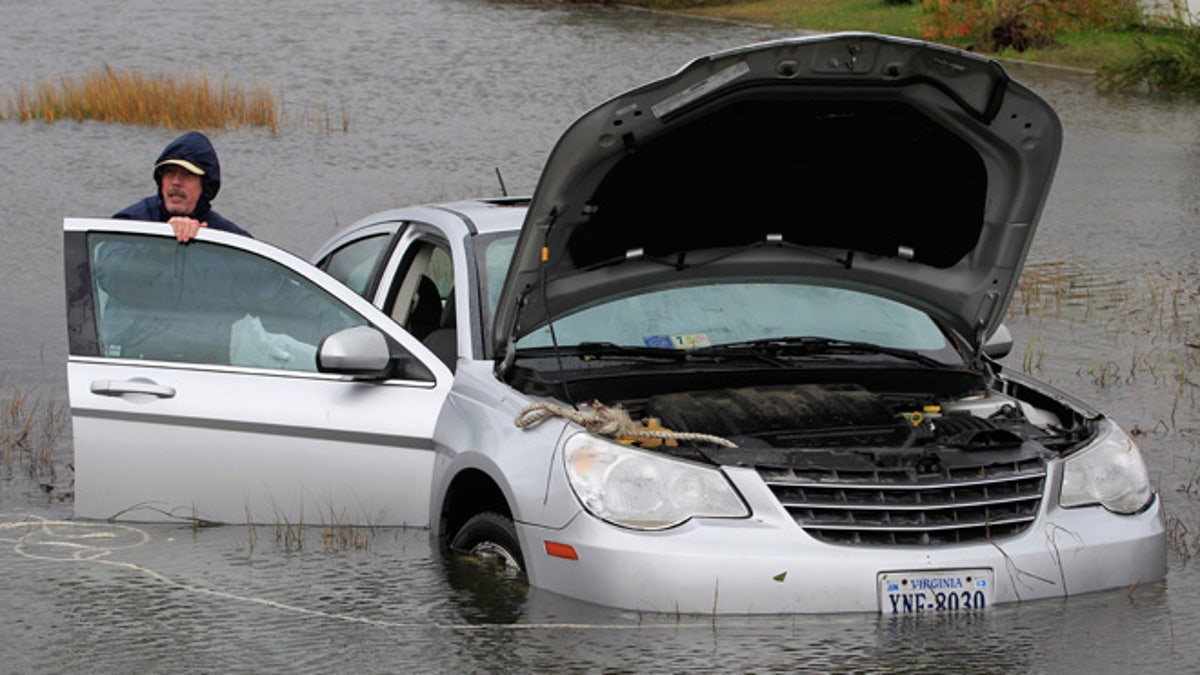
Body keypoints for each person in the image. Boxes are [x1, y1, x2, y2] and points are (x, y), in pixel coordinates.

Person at [114, 130, 250, 242]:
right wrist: (163, 239)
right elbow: (107, 265)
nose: (176, 182)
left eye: (187, 174)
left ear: (205, 185)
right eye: (169, 172)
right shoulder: (130, 224)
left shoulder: (230, 240)